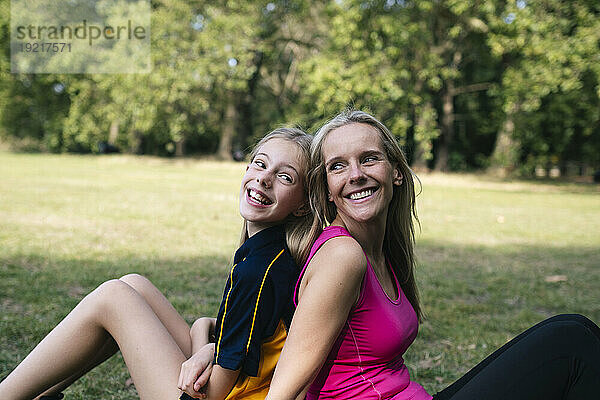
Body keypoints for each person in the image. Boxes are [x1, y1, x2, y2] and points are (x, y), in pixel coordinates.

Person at [265, 110, 600, 400]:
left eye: (368, 158)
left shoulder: (377, 250)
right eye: (337, 166)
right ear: (326, 189)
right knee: (571, 340)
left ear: (396, 171)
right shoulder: (342, 256)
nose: (356, 174)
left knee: (574, 334)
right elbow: (286, 390)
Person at [0, 128, 314, 400]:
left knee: (113, 297)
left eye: (284, 176)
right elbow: (240, 339)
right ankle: (42, 392)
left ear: (302, 204)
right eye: (260, 164)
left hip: (217, 394)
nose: (264, 178)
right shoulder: (268, 253)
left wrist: (205, 339)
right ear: (246, 168)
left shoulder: (258, 271)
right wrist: (207, 341)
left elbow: (216, 390)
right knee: (134, 284)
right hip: (230, 382)